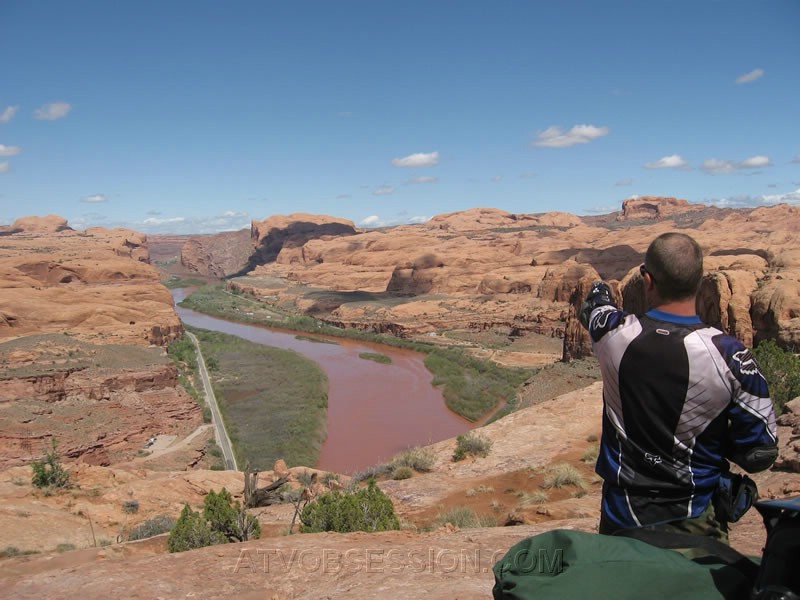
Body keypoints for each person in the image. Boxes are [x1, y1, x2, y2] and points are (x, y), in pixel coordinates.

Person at [579, 232, 778, 541]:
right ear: (700, 282)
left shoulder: (613, 334)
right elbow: (760, 451)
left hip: (622, 516)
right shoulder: (731, 355)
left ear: (647, 280)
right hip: (696, 517)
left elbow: (594, 308)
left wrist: (600, 289)